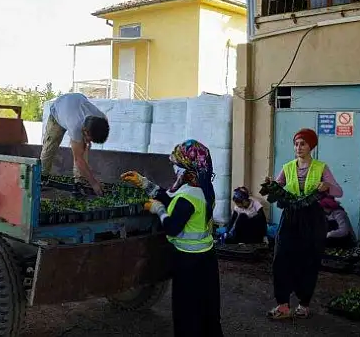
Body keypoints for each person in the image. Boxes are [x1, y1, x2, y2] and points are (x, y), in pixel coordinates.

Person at [120, 139, 223, 337]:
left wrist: (159, 210)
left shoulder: (188, 197)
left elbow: (172, 228)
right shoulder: (202, 187)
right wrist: (144, 183)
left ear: (187, 168)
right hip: (207, 259)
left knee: (187, 312)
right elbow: (170, 198)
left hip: (190, 263)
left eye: (176, 164)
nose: (174, 168)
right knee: (208, 309)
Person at [266, 128, 343, 320]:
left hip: (312, 218)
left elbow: (339, 191)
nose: (298, 147)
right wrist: (271, 185)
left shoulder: (321, 167)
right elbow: (276, 188)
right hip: (290, 216)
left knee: (308, 259)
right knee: (281, 257)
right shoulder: (287, 167)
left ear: (311, 146)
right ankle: (283, 305)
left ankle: (304, 303)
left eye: (303, 144)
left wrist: (327, 186)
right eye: (296, 144)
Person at [40, 93, 110, 196]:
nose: (89, 141)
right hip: (57, 113)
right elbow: (78, 159)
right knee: (50, 146)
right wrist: (94, 184)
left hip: (75, 105)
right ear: (85, 131)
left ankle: (79, 182)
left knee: (84, 147)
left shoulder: (101, 118)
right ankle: (42, 177)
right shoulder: (76, 127)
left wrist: (86, 143)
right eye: (89, 139)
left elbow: (91, 138)